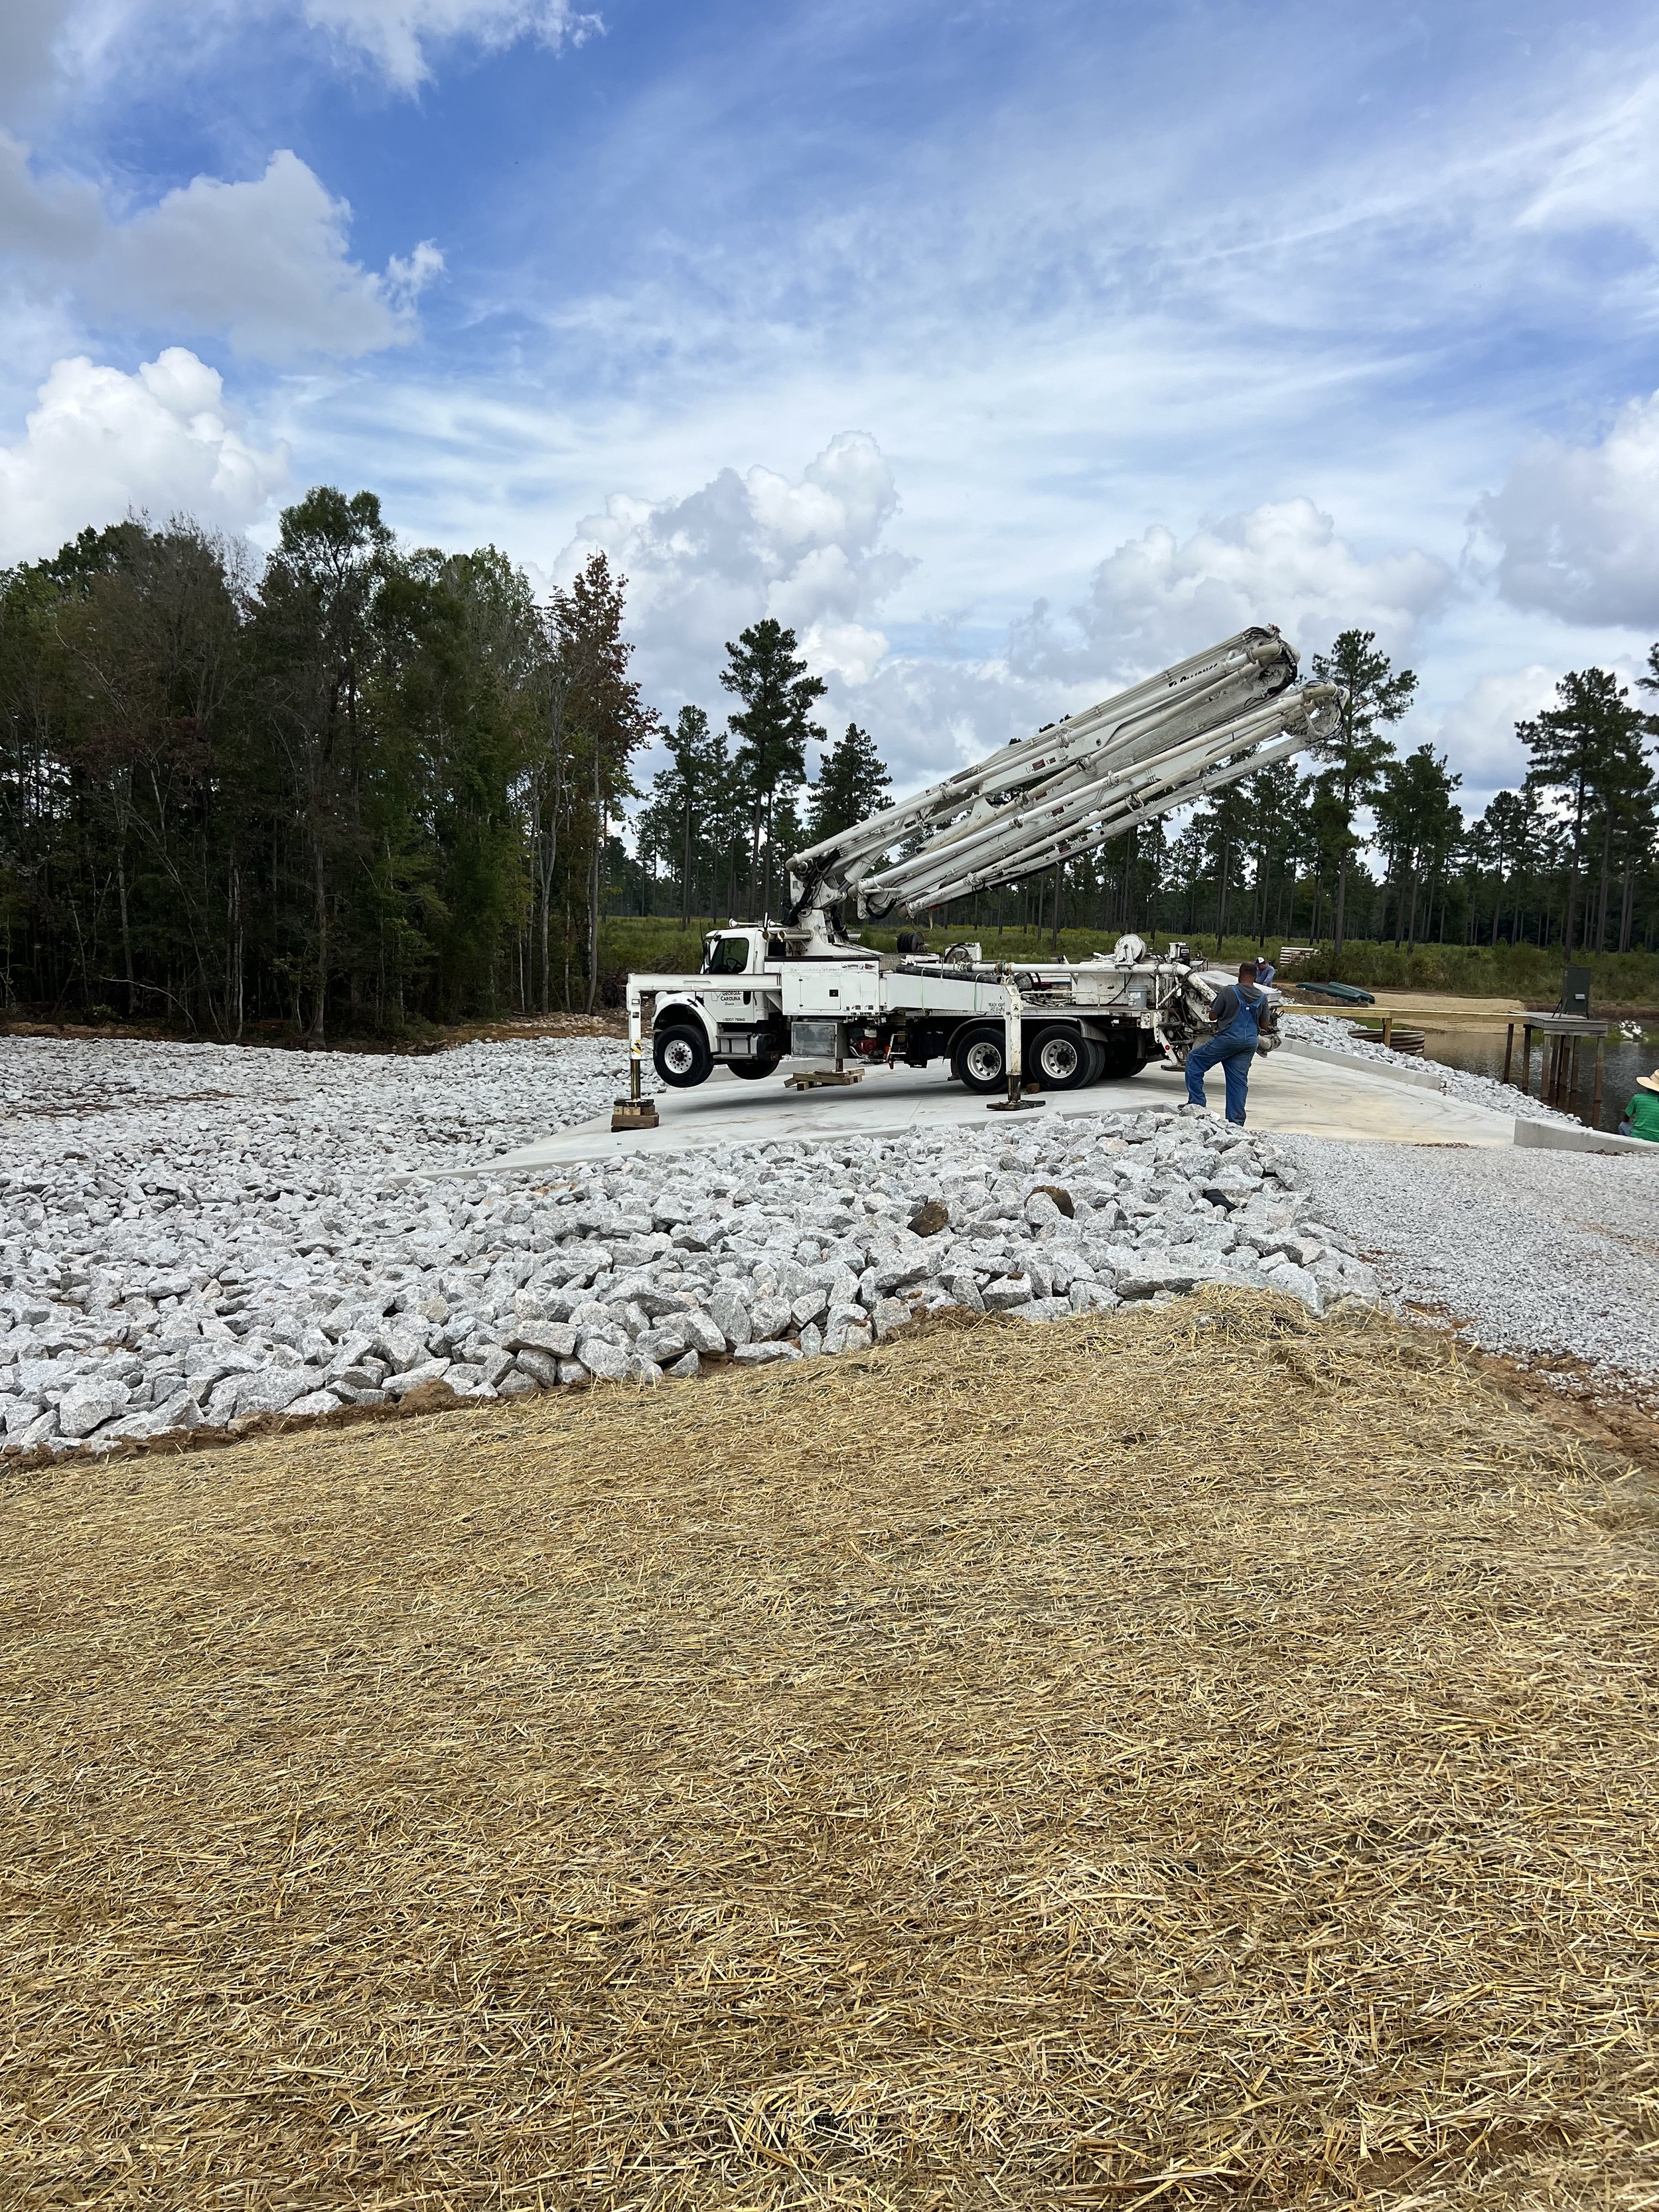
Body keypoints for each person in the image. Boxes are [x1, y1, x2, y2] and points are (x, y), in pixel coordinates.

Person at [1185, 960, 1269, 1125]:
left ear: (1239, 974)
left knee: (1194, 1060)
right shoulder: (1262, 997)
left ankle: (1197, 1105)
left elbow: (1212, 1016)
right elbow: (1265, 1024)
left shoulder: (1229, 991)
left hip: (1229, 1038)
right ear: (1256, 976)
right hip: (1250, 1042)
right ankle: (1236, 1123)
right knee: (1238, 1081)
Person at [1617, 1069, 1659, 1142]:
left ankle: (1626, 1144)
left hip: (1637, 1136)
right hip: (1657, 1140)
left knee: (1623, 1125)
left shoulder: (1638, 1098)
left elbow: (1626, 1118)